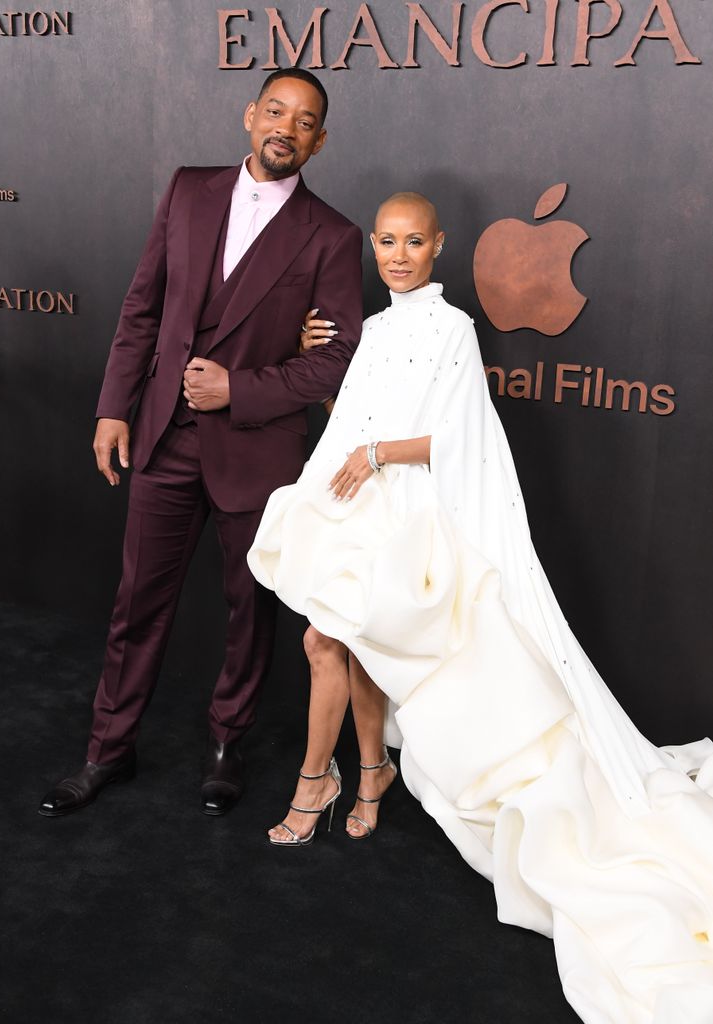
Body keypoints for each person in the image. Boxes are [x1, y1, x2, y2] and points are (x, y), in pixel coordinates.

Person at [248, 192, 713, 1023]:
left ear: (438, 246)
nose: (395, 254)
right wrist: (316, 372)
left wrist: (376, 452)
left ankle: (320, 786)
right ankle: (365, 777)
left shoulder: (452, 328)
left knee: (335, 640)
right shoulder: (380, 330)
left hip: (420, 516)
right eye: (385, 241)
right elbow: (351, 414)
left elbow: (465, 437)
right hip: (363, 511)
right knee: (344, 645)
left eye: (411, 241)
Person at [39, 69, 363, 818]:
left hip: (260, 451)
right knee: (136, 604)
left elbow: (337, 354)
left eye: (304, 119)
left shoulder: (334, 235)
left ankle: (227, 743)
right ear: (251, 117)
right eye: (275, 110)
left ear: (319, 139)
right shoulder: (187, 189)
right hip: (162, 437)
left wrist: (238, 390)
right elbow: (142, 305)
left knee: (249, 606)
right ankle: (106, 750)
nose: (286, 126)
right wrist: (113, 408)